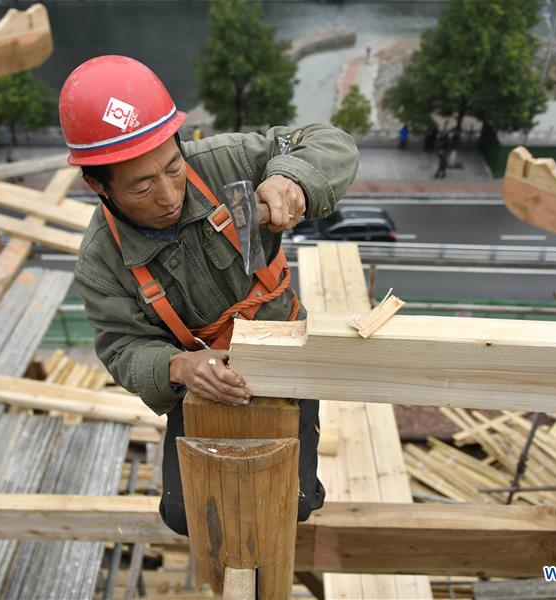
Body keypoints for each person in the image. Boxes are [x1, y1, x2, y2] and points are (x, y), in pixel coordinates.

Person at [61, 55, 360, 536]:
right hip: (202, 384)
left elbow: (328, 141)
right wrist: (178, 367)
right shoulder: (101, 262)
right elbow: (122, 348)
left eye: (173, 169)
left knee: (294, 503)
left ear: (180, 144)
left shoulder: (226, 162)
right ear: (97, 185)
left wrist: (292, 177)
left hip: (282, 354)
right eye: (142, 185)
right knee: (188, 515)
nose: (168, 196)